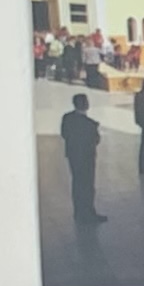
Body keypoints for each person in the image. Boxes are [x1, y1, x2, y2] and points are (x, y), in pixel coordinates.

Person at [57, 93, 105, 227]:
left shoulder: (67, 118)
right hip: (87, 158)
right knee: (88, 186)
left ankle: (78, 212)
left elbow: (64, 134)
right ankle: (89, 212)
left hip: (73, 156)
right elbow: (95, 140)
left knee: (77, 184)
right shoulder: (90, 124)